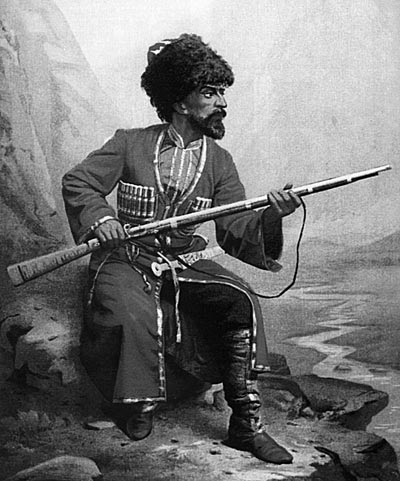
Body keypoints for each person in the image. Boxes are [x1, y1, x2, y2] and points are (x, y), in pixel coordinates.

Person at [62, 34, 301, 465]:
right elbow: (79, 182)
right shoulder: (129, 143)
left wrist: (271, 216)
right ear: (179, 101)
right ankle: (136, 406)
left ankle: (246, 425)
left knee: (240, 299)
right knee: (131, 311)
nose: (222, 102)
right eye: (209, 92)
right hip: (127, 258)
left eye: (222, 92)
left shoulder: (221, 162)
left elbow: (234, 228)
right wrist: (103, 220)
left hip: (184, 261)